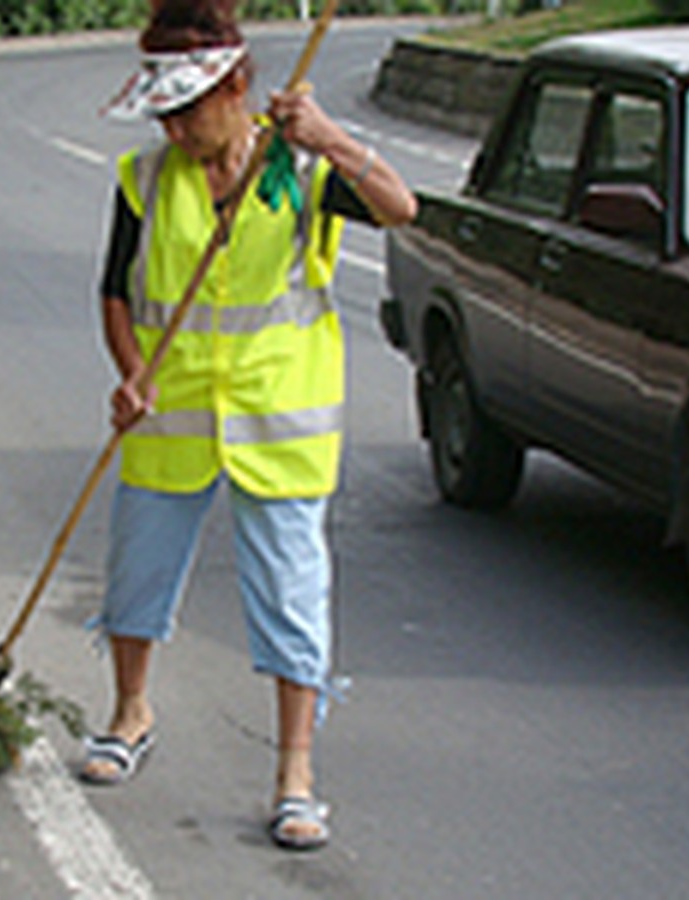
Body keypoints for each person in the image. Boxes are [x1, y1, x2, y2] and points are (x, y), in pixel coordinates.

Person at [81, 0, 418, 852]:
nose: (177, 128)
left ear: (236, 89)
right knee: (136, 580)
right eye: (165, 113)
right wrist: (131, 374)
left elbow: (401, 208)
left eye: (188, 110)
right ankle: (129, 715)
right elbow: (117, 291)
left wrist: (331, 137)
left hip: (280, 424)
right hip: (172, 417)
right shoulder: (145, 178)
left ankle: (295, 776)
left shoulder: (299, 171)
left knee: (292, 601)